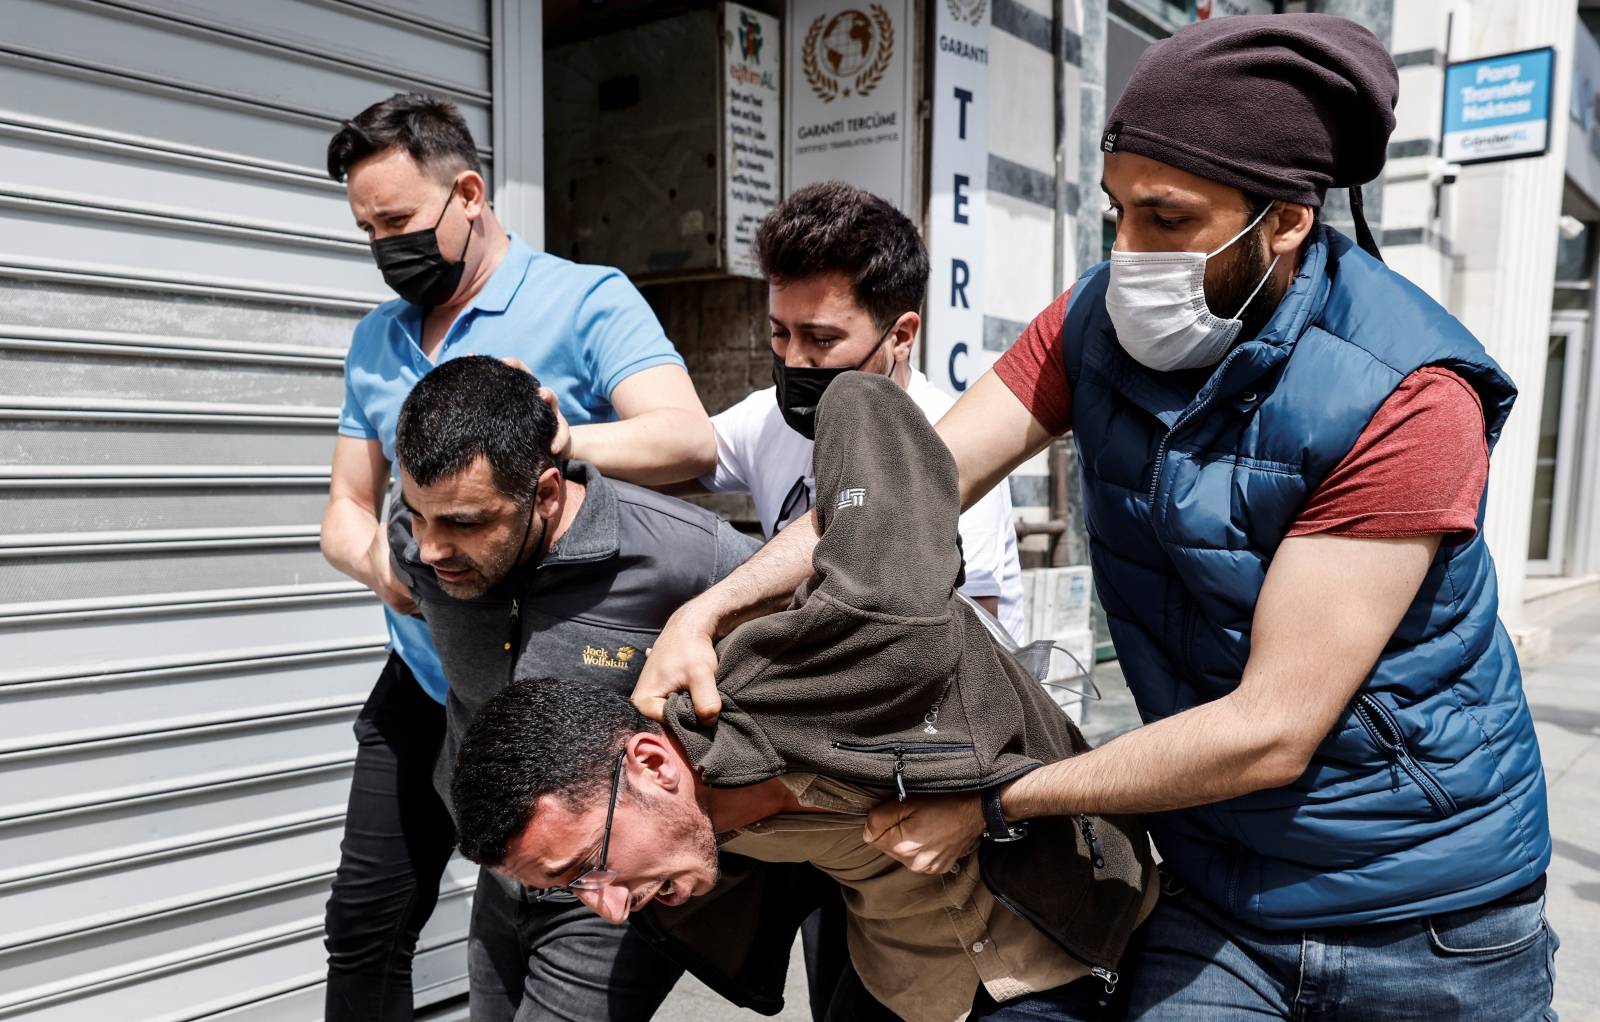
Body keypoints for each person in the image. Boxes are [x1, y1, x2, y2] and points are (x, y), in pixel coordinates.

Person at [634, 14, 1556, 1020]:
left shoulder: (1406, 395)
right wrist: (704, 613)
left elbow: (1269, 730)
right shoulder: (1089, 322)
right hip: (1216, 889)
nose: (1127, 254)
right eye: (1115, 213)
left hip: (1427, 912)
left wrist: (990, 803)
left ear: (1284, 221)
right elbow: (897, 503)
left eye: (1166, 220)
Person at [450, 372, 1157, 1022]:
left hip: (1061, 936)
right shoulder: (673, 851)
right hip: (906, 987)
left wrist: (701, 610)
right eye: (568, 887)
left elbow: (873, 428)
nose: (606, 910)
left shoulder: (810, 670)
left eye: (589, 867)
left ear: (655, 766)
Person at [318, 92, 715, 1021]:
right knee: (366, 920)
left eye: (400, 222)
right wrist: (391, 568)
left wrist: (556, 441)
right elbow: (342, 507)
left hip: (551, 678)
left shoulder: (583, 300)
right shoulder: (377, 341)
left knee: (550, 888)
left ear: (468, 193)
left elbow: (686, 440)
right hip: (429, 674)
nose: (385, 246)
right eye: (367, 229)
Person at [385, 356, 755, 1021]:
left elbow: (813, 639)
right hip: (503, 874)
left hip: (611, 888)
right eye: (419, 516)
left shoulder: (687, 557)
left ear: (547, 493)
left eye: (465, 523)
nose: (433, 548)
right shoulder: (419, 541)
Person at [694, 181, 1025, 638]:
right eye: (780, 333)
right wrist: (568, 439)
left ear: (901, 337)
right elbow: (680, 449)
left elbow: (961, 635)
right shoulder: (766, 418)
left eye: (822, 340)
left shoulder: (949, 442)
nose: (793, 361)